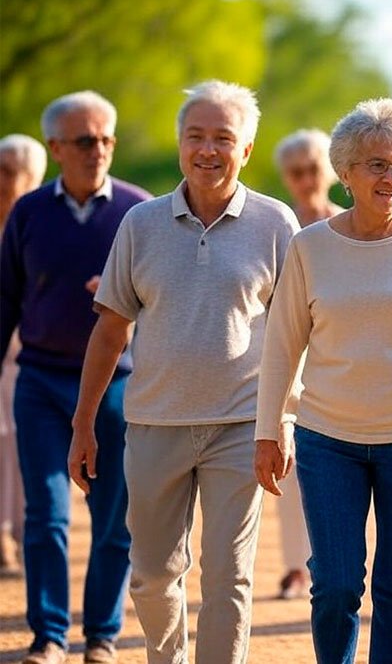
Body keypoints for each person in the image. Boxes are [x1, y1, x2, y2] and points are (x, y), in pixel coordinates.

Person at [67, 80, 299, 664]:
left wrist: (283, 421)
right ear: (179, 144)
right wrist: (84, 423)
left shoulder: (276, 224)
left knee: (229, 577)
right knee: (150, 574)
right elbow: (111, 329)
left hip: (241, 427)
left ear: (246, 150)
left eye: (223, 137)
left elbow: (297, 335)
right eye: (195, 136)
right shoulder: (140, 224)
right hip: (152, 424)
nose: (208, 150)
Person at [254, 97, 392, 663]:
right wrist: (268, 429)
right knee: (334, 586)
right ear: (347, 171)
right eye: (378, 164)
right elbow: (282, 345)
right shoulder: (310, 246)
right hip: (328, 438)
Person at [0, 92, 151, 664]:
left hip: (119, 383)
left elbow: (165, 303)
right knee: (46, 513)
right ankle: (49, 636)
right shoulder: (29, 213)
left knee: (114, 515)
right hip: (39, 380)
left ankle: (103, 636)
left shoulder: (138, 212)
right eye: (86, 141)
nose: (99, 150)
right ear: (56, 148)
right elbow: (6, 298)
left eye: (107, 139)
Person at [269, 128, 343, 600]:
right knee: (291, 468)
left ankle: (349, 565)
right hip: (288, 364)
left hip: (341, 363)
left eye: (313, 169)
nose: (305, 180)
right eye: (295, 172)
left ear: (331, 171)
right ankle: (297, 567)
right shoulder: (276, 228)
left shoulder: (348, 225)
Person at [0, 134, 47, 578]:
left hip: (30, 358)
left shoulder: (39, 222)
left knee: (21, 450)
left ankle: (15, 535)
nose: (7, 182)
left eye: (14, 173)